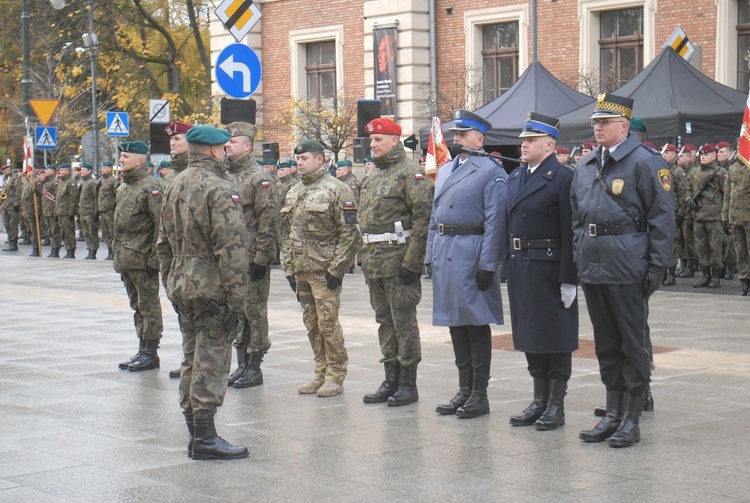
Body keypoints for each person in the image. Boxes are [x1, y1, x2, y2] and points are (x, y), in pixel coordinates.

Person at [571, 94, 674, 448]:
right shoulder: (586, 165)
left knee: (632, 344)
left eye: (605, 122)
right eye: (595, 123)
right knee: (606, 343)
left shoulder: (646, 163)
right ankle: (612, 412)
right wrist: (579, 252)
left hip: (628, 265)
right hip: (594, 264)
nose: (597, 127)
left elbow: (662, 219)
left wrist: (657, 266)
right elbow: (576, 217)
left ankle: (632, 416)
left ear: (624, 126)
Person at [157, 125, 250, 461]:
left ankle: (194, 434)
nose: (226, 153)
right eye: (224, 149)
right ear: (213, 151)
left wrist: (170, 281)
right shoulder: (220, 188)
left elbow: (163, 242)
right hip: (213, 287)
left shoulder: (173, 184)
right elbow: (233, 248)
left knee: (190, 356)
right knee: (211, 358)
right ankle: (206, 437)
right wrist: (238, 300)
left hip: (183, 284)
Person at [427, 109, 506, 419]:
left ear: (479, 139)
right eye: (455, 134)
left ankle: (479, 393)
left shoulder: (489, 170)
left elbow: (495, 220)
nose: (456, 138)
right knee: (455, 324)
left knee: (475, 323)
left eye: (462, 134)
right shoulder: (446, 169)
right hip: (446, 250)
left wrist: (489, 263)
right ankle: (463, 388)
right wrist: (430, 253)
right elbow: (435, 216)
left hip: (471, 251)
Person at [503, 112, 578, 430]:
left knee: (556, 337)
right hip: (522, 266)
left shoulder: (563, 179)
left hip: (549, 267)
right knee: (531, 335)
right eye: (522, 140)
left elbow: (570, 230)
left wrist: (569, 278)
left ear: (549, 145)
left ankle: (556, 403)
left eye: (530, 140)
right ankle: (539, 398)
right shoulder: (516, 177)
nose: (523, 145)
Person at [359, 118, 433, 407]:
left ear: (394, 140)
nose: (373, 145)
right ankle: (390, 378)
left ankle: (407, 383)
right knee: (384, 321)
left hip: (399, 260)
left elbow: (422, 220)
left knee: (403, 322)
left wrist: (412, 263)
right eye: (371, 140)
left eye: (378, 140)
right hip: (374, 261)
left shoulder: (409, 173)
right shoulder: (372, 175)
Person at [280, 138, 359, 397]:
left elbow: (349, 233)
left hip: (324, 271)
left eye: (304, 159)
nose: (298, 163)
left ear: (320, 160)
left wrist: (337, 269)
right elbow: (287, 233)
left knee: (328, 324)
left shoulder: (337, 190)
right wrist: (289, 268)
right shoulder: (294, 191)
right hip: (301, 270)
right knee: (311, 324)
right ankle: (320, 372)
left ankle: (336, 375)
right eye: (297, 159)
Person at [224, 122, 278, 389]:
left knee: (254, 311)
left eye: (233, 142)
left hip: (252, 257)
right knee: (238, 311)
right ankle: (241, 363)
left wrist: (261, 258)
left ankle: (254, 365)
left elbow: (268, 221)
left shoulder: (260, 178)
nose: (227, 146)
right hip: (230, 259)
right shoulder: (225, 175)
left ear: (247, 147)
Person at [113, 141, 164, 372]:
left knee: (148, 305)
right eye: (121, 156)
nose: (121, 160)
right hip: (126, 258)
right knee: (137, 305)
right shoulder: (123, 187)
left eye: (125, 156)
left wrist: (155, 258)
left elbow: (160, 225)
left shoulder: (151, 187)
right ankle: (142, 347)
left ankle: (150, 352)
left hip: (143, 259)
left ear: (139, 160)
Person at [163, 121, 195, 380]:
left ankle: (198, 361)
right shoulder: (171, 176)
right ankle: (188, 358)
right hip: (174, 254)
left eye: (178, 139)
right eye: (171, 140)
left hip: (195, 255)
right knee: (182, 311)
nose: (173, 143)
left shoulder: (198, 173)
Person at [687, 144, 727, 289]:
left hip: (714, 217)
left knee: (715, 246)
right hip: (698, 215)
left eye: (707, 154)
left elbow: (726, 193)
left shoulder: (720, 173)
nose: (703, 157)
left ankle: (716, 276)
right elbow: (688, 189)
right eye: (701, 154)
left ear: (714, 155)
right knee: (701, 247)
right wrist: (689, 200)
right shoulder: (694, 172)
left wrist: (724, 215)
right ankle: (705, 275)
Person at [722, 141, 750, 295]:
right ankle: (744, 282)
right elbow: (727, 195)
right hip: (735, 217)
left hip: (749, 217)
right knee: (740, 252)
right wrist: (724, 217)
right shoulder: (731, 169)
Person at [661, 144, 688, 286]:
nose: (664, 154)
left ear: (674, 154)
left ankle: (671, 272)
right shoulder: (659, 170)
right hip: (660, 212)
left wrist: (681, 213)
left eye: (667, 152)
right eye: (663, 152)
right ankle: (662, 272)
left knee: (672, 244)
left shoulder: (678, 172)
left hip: (673, 212)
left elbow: (684, 193)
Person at [54, 163, 79, 258]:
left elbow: (73, 198)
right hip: (60, 211)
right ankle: (67, 248)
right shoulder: (60, 182)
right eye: (60, 170)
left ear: (68, 171)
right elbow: (58, 198)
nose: (60, 171)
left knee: (69, 232)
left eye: (62, 170)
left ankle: (71, 250)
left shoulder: (71, 182)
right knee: (63, 232)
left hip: (67, 212)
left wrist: (71, 212)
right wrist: (56, 211)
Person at [77, 162, 99, 260]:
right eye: (81, 169)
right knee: (85, 232)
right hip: (83, 211)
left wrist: (96, 211)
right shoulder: (82, 182)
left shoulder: (92, 182)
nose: (81, 171)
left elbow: (96, 197)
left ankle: (93, 251)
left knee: (92, 232)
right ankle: (89, 249)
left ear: (89, 171)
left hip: (90, 212)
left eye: (84, 170)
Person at [97, 161, 117, 260]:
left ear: (110, 169)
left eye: (104, 168)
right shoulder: (101, 180)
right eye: (102, 168)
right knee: (106, 232)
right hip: (103, 210)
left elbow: (117, 195)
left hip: (110, 210)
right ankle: (109, 250)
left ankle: (114, 252)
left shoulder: (113, 181)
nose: (102, 169)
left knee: (112, 232)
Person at [41, 164, 61, 258]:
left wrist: (57, 210)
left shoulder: (55, 182)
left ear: (53, 171)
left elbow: (57, 197)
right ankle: (52, 248)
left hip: (53, 210)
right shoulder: (46, 182)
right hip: (46, 210)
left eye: (48, 170)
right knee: (49, 231)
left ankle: (55, 249)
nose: (45, 171)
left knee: (55, 231)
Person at [1, 163, 21, 252]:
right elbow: (4, 193)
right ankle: (10, 241)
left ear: (9, 170)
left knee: (13, 225)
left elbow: (18, 191)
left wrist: (17, 203)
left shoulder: (14, 179)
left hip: (12, 206)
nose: (3, 173)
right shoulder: (7, 179)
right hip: (6, 206)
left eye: (4, 171)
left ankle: (14, 243)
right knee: (6, 224)